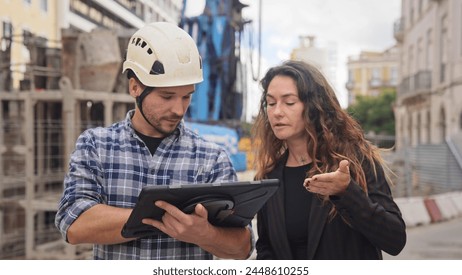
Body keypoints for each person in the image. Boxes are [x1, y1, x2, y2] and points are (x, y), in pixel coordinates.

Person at [55, 22, 253, 260]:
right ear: (135, 87)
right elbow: (73, 223)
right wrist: (162, 217)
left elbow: (242, 248)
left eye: (186, 96)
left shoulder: (211, 158)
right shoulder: (96, 146)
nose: (179, 109)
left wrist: (204, 233)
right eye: (167, 96)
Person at [251, 60, 406, 260]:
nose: (277, 112)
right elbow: (266, 248)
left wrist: (348, 192)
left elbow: (395, 240)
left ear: (314, 107)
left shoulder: (356, 161)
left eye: (289, 102)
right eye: (271, 103)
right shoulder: (268, 177)